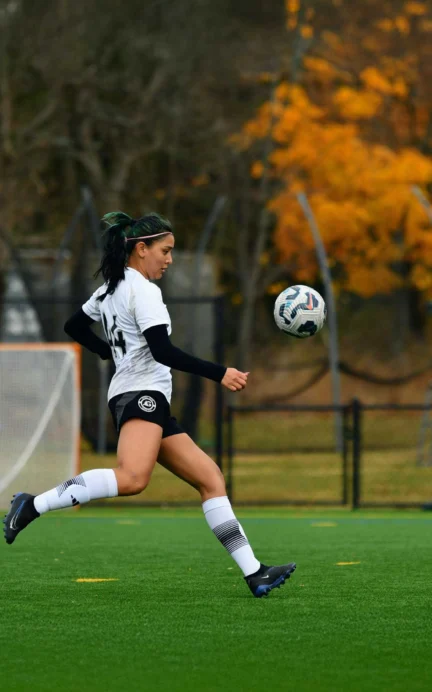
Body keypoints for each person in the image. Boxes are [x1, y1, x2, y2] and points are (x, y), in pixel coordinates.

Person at [3, 211, 296, 598]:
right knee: (132, 478)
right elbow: (162, 350)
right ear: (141, 249)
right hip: (142, 394)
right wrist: (220, 372)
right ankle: (32, 505)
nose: (169, 260)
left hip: (139, 395)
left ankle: (254, 572)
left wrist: (106, 352)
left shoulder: (110, 288)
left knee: (210, 479)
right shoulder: (142, 290)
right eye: (165, 251)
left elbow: (74, 327)